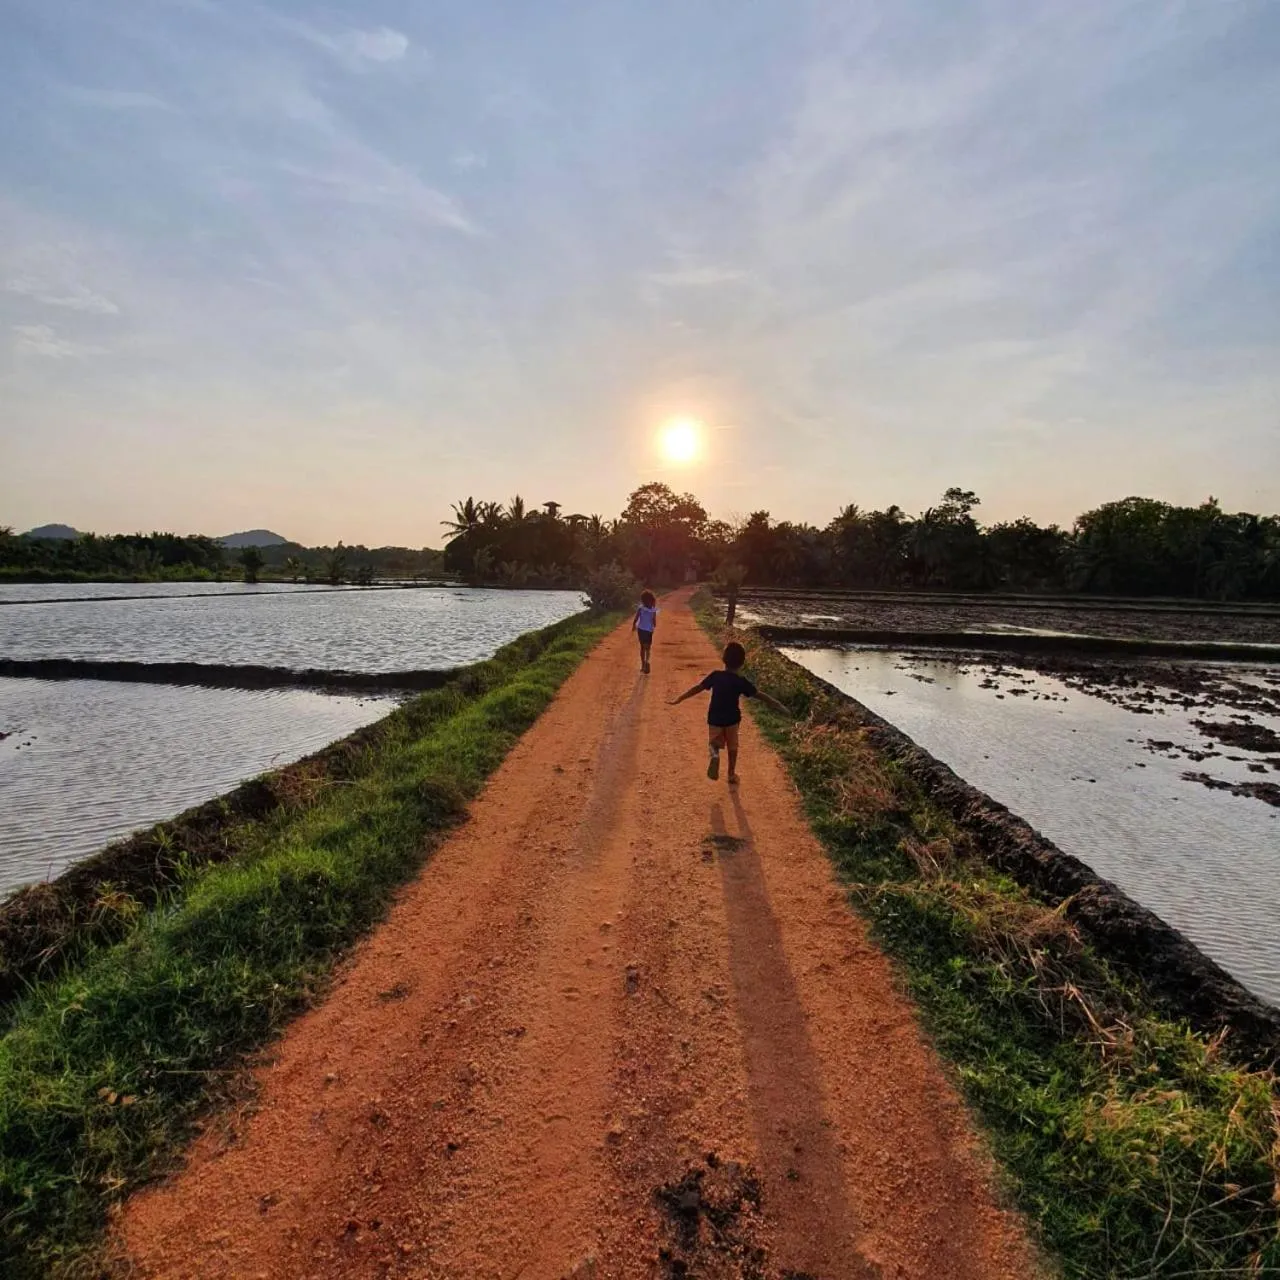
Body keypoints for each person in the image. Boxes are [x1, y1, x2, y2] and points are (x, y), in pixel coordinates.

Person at [669, 641, 790, 783]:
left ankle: (714, 755)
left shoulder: (715, 676)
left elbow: (698, 688)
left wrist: (681, 698)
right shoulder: (740, 681)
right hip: (732, 719)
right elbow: (759, 694)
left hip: (715, 717)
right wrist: (778, 704)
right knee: (733, 747)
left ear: (724, 659)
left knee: (713, 743)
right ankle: (731, 774)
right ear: (742, 662)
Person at [632, 589, 658, 673]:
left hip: (641, 629)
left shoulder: (640, 608)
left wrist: (633, 625)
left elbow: (636, 618)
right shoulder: (653, 610)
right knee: (648, 648)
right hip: (649, 630)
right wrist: (653, 626)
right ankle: (647, 661)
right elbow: (654, 621)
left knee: (642, 647)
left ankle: (643, 664)